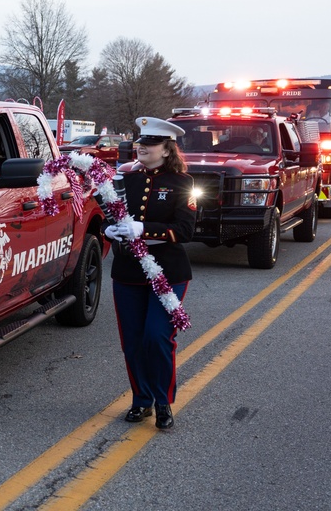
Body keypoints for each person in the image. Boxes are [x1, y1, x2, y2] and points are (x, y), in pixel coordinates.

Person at [104, 116, 196, 430]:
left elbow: (185, 229)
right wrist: (111, 230)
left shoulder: (183, 184)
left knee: (157, 337)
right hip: (128, 271)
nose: (142, 146)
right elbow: (110, 213)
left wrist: (143, 228)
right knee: (132, 341)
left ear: (167, 150)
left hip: (168, 272)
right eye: (141, 141)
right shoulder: (124, 178)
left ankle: (162, 402)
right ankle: (141, 400)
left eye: (151, 143)